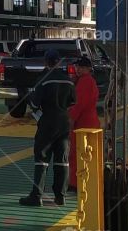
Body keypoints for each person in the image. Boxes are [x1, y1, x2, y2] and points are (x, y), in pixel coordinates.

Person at [19, 49, 74, 207]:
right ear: (58, 62)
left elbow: (35, 104)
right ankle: (60, 196)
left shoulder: (43, 80)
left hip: (48, 122)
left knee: (41, 158)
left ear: (46, 62)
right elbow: (72, 101)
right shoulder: (68, 81)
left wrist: (26, 96)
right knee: (62, 160)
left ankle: (36, 196)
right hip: (64, 122)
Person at [67, 58, 101, 190]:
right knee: (88, 154)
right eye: (77, 67)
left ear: (88, 69)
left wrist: (71, 118)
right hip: (91, 121)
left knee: (77, 153)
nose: (78, 69)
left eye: (81, 67)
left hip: (83, 124)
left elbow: (80, 103)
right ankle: (88, 181)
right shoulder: (90, 81)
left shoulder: (84, 81)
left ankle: (76, 183)